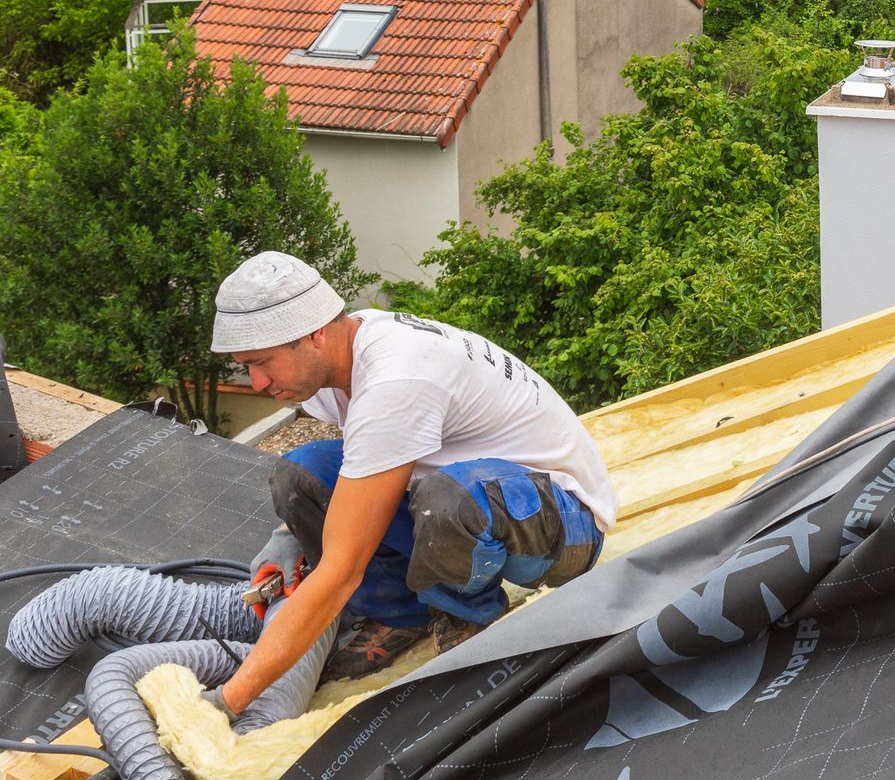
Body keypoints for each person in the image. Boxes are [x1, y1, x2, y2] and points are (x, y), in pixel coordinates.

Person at [200, 251, 616, 720]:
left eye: (262, 363)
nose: (256, 382)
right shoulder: (340, 353)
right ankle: (402, 614)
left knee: (448, 500)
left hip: (563, 525)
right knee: (302, 473)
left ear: (314, 334)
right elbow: (366, 466)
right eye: (245, 365)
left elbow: (340, 571)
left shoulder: (396, 376)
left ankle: (468, 618)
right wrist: (288, 534)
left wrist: (227, 702)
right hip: (478, 499)